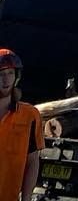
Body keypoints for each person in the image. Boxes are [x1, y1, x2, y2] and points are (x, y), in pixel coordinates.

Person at [0, 49, 41, 201]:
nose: (6, 79)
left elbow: (32, 161)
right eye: (1, 74)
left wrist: (27, 197)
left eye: (10, 73)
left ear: (17, 76)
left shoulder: (30, 115)